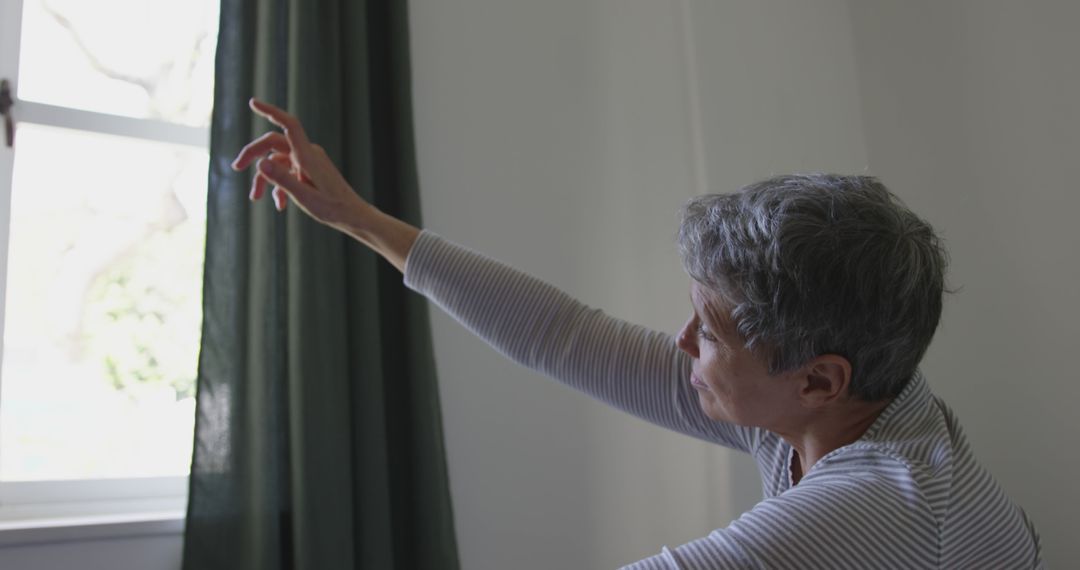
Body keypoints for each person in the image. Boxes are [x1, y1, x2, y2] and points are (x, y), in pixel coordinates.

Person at [232, 98, 1043, 569]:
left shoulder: (881, 498)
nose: (683, 341)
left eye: (713, 331)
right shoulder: (846, 396)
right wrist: (358, 218)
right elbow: (564, 335)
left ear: (820, 378)